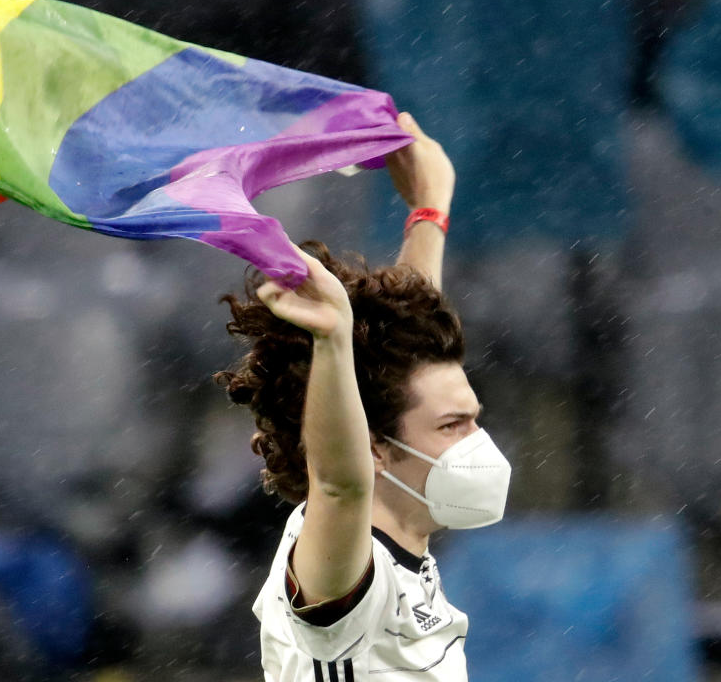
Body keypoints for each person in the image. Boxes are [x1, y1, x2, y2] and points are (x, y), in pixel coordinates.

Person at [216, 112, 512, 681]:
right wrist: (331, 338)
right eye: (452, 426)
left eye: (473, 420)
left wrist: (429, 209)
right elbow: (339, 482)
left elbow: (404, 351)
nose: (477, 442)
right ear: (374, 447)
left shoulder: (407, 553)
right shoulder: (343, 568)